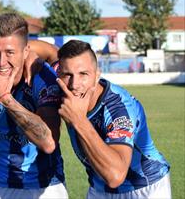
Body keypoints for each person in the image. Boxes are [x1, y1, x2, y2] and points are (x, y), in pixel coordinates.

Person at [0, 13, 68, 199]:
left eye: (10, 52)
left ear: (26, 52)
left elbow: (48, 141)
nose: (2, 62)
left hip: (46, 187)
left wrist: (5, 98)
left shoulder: (42, 79)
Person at [55, 40, 171, 198]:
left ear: (97, 76)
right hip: (99, 188)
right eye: (67, 75)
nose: (74, 84)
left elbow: (115, 176)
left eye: (83, 74)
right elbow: (45, 51)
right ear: (58, 73)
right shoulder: (60, 85)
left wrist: (79, 120)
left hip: (143, 188)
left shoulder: (119, 108)